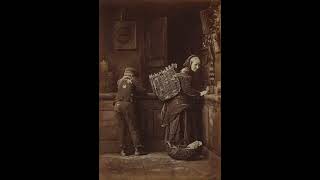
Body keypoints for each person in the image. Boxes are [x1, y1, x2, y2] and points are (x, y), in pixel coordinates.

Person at [161, 55, 208, 148]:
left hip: (174, 104)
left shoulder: (183, 73)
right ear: (190, 64)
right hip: (180, 105)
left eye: (199, 65)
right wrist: (200, 93)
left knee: (177, 126)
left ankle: (174, 146)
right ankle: (179, 147)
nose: (197, 67)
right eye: (196, 65)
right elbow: (187, 90)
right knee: (180, 126)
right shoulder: (186, 75)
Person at [113, 67, 147, 156]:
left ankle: (122, 150)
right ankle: (138, 149)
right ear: (132, 74)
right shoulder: (133, 80)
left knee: (121, 128)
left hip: (117, 105)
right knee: (133, 127)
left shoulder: (119, 81)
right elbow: (142, 91)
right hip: (127, 105)